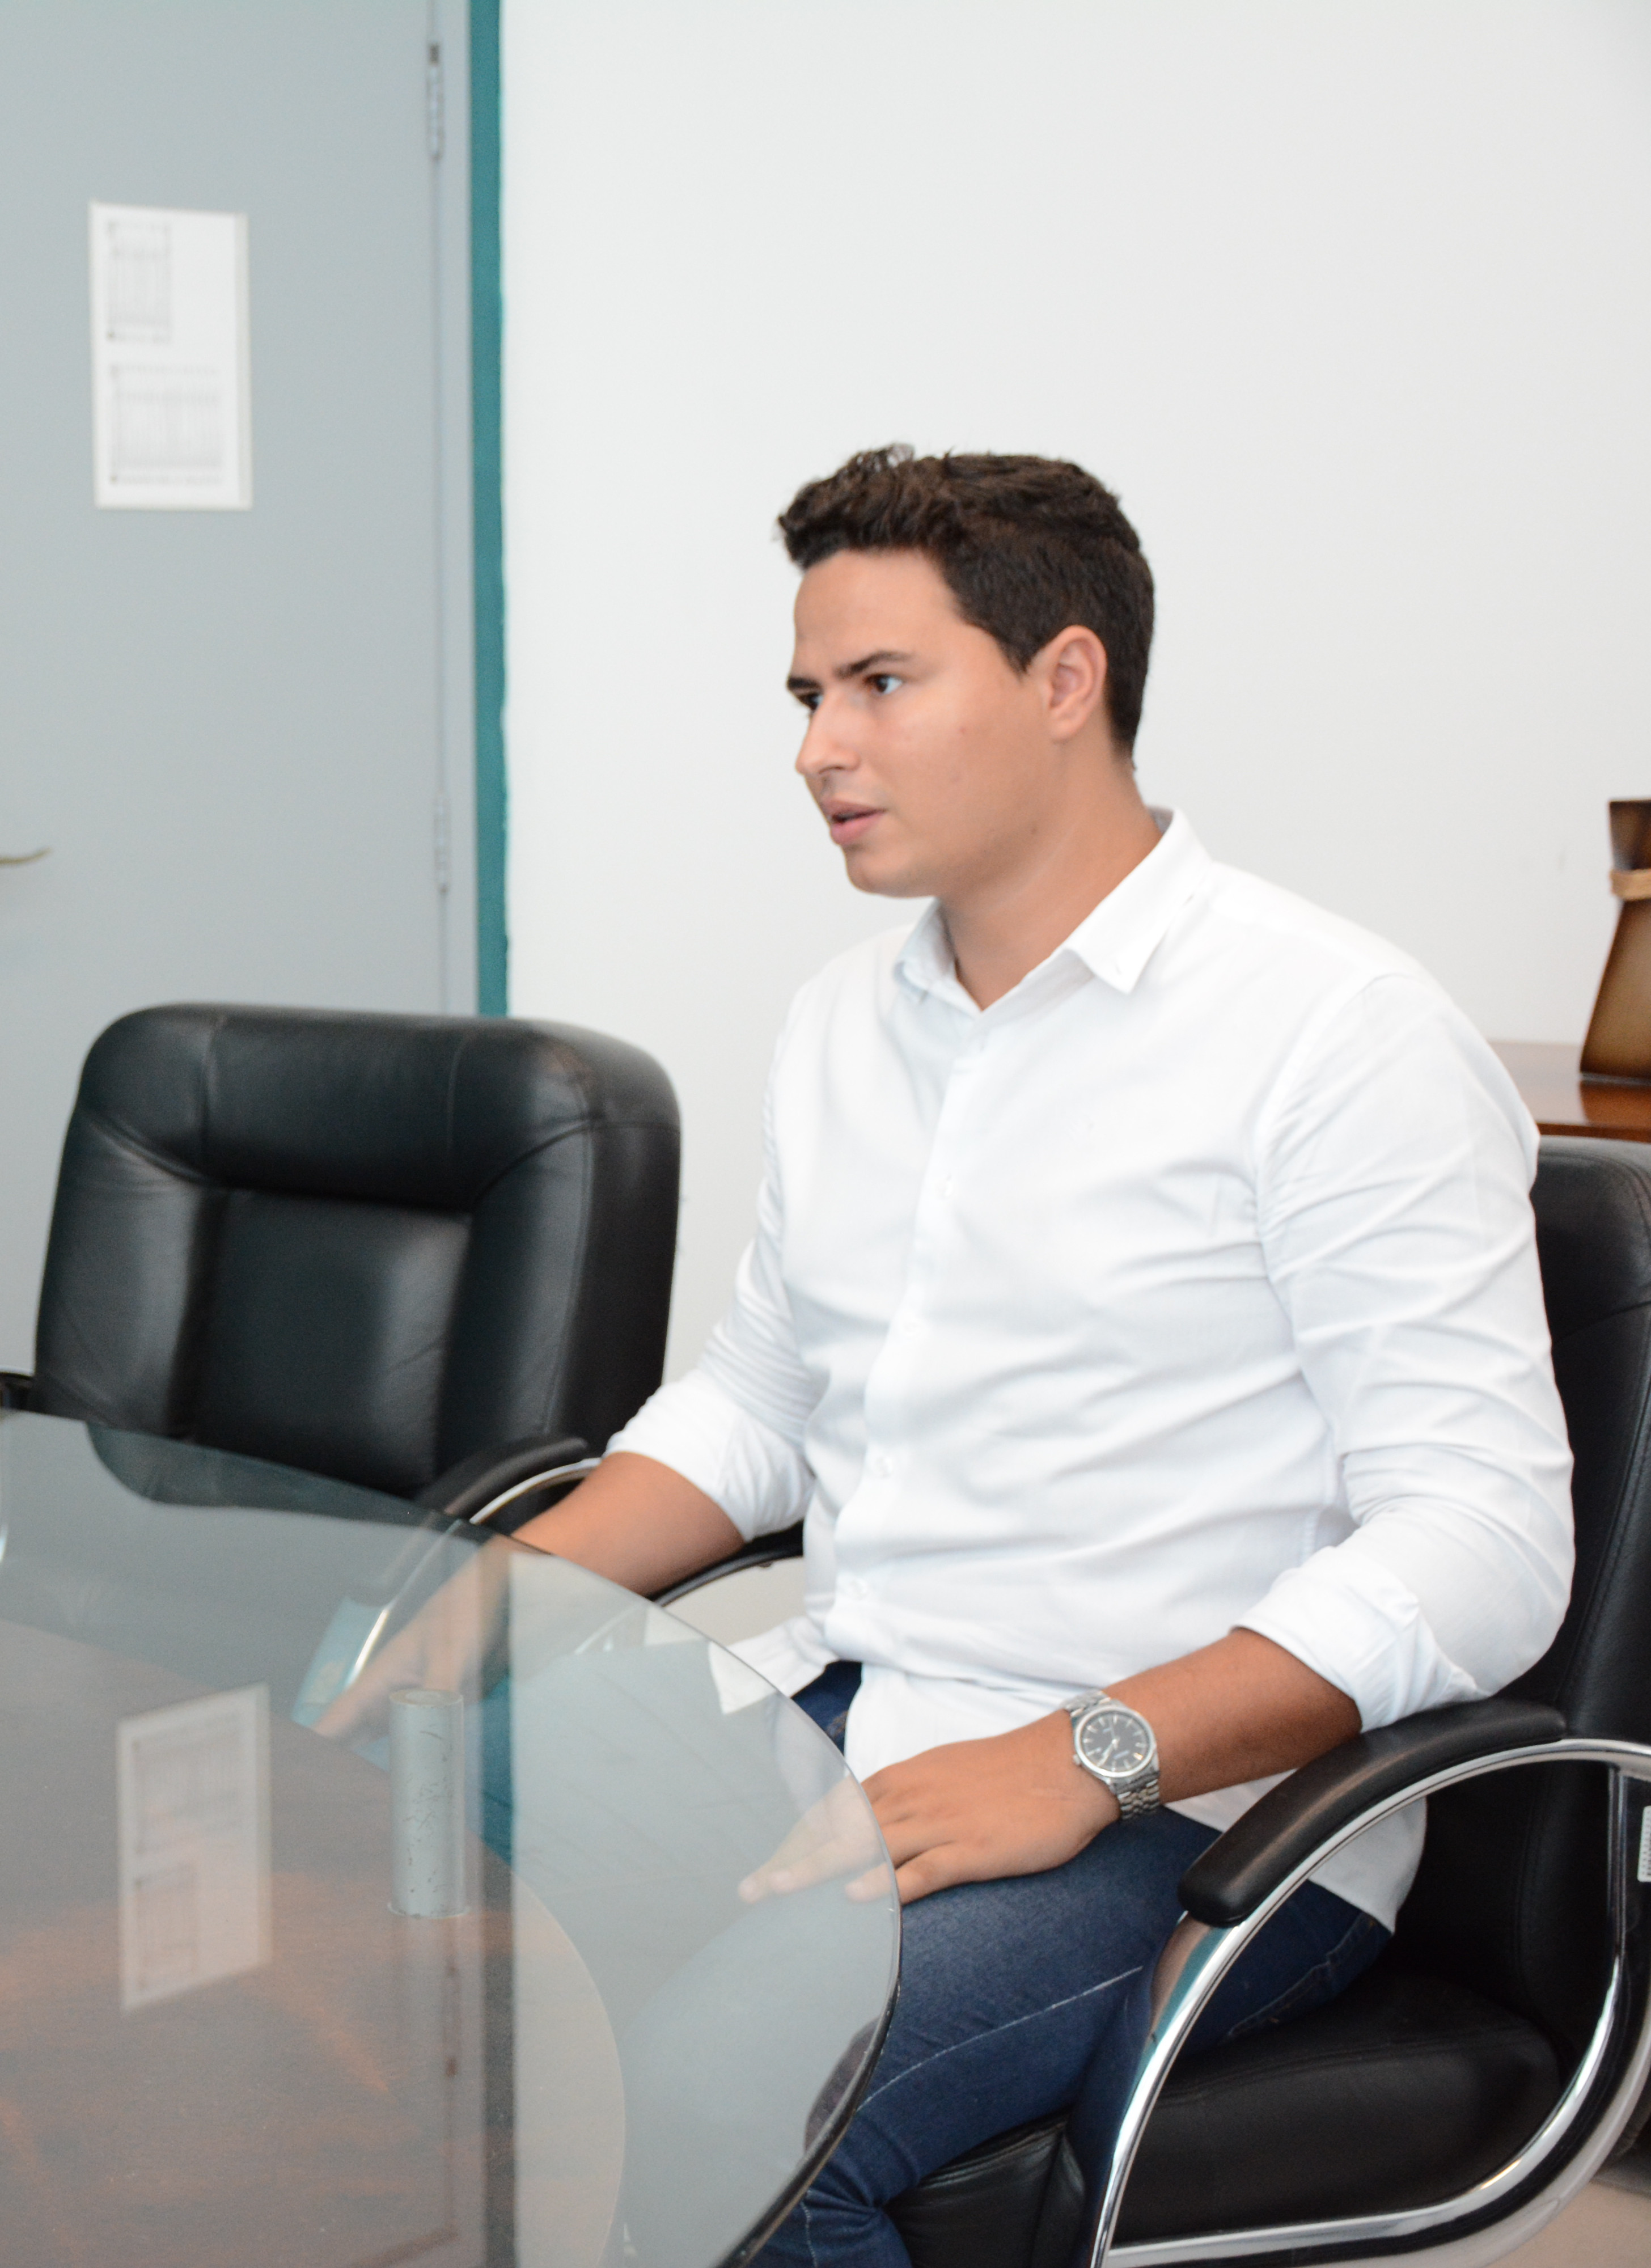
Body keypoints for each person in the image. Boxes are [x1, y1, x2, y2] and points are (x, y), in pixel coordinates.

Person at [324, 446, 1572, 2265]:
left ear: (1067, 682)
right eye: (808, 696)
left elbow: (1485, 1539)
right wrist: (511, 1590)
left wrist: (1091, 1751)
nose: (820, 748)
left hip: (1204, 1817)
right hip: (865, 1718)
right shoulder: (852, 1020)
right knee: (357, 1827)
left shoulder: (1339, 1036)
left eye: (881, 687)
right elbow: (762, 1398)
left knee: (739, 2106)